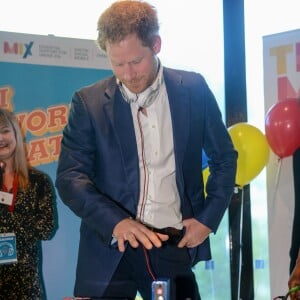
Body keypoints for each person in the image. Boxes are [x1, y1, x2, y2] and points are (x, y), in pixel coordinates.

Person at [55, 1, 237, 299]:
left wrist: (207, 219)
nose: (128, 73)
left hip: (171, 242)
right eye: (117, 63)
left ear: (156, 45)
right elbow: (70, 178)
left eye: (136, 61)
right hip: (108, 247)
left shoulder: (193, 89)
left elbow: (224, 158)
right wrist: (116, 222)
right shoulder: (87, 102)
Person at [0, 108, 56, 299]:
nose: (1, 138)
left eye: (5, 131)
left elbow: (46, 229)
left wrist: (10, 218)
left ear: (16, 134)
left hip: (26, 284)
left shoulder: (38, 181)